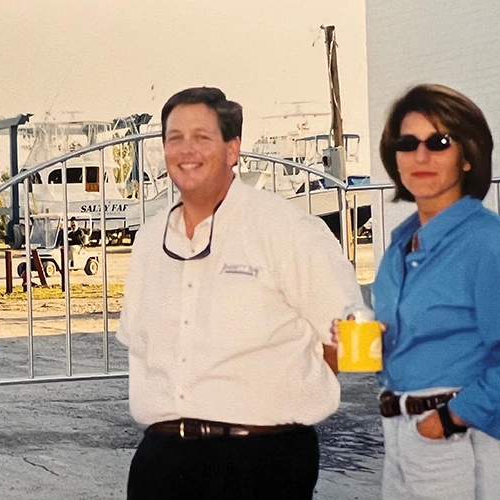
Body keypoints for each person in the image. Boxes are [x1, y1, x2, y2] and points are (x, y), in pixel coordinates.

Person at [116, 87, 364, 500]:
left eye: (202, 137)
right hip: (162, 464)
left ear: (233, 149)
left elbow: (358, 336)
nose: (186, 150)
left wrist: (306, 380)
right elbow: (139, 347)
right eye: (174, 138)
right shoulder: (147, 242)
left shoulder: (285, 229)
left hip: (260, 465)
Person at [359, 83, 500, 499]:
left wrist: (447, 422)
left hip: (459, 441)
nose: (420, 156)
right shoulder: (401, 247)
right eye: (407, 144)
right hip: (402, 436)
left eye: (438, 142)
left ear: (467, 156)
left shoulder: (492, 245)